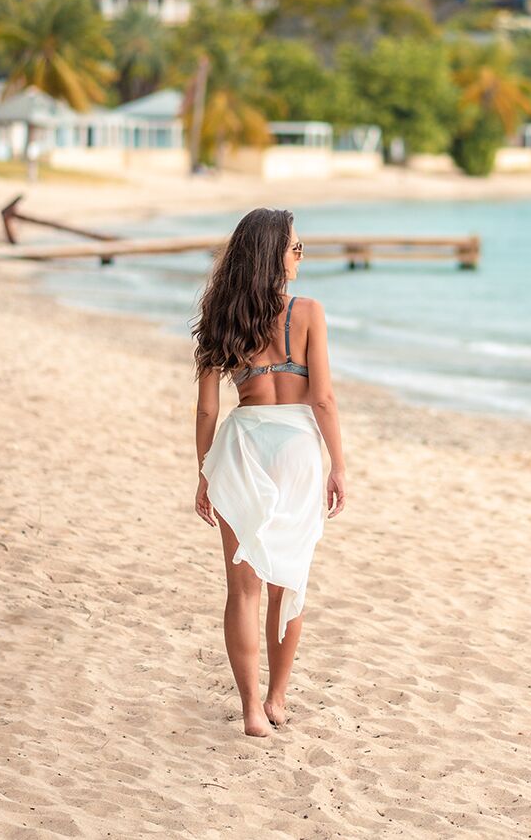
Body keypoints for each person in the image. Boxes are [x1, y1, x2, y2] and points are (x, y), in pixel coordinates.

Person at [192, 208, 346, 735]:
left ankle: (252, 710)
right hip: (297, 447)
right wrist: (339, 465)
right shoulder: (308, 312)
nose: (301, 256)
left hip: (240, 446)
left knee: (243, 589)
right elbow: (322, 398)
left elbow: (208, 410)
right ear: (272, 253)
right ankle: (278, 699)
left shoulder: (221, 316)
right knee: (288, 579)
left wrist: (204, 471)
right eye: (295, 247)